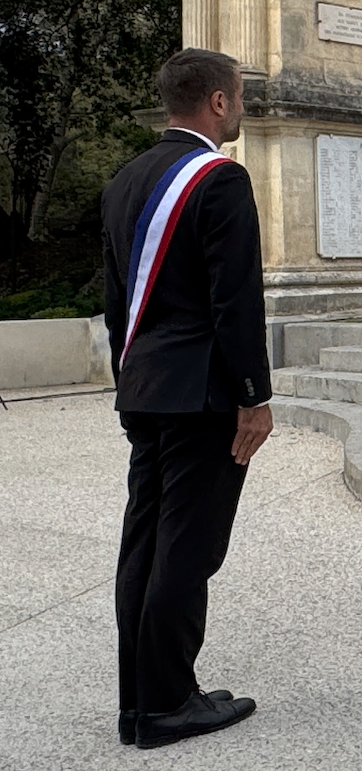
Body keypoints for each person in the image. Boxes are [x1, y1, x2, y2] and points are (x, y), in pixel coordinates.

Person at [100, 49, 272, 749]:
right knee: (187, 548)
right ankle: (170, 704)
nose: (240, 107)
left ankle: (139, 701)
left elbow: (117, 304)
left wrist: (131, 380)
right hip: (203, 395)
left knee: (144, 541)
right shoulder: (220, 179)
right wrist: (254, 397)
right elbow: (236, 303)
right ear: (220, 103)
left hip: (146, 386)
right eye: (239, 96)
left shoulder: (124, 180)